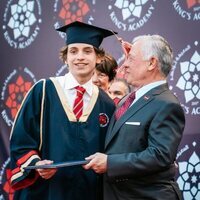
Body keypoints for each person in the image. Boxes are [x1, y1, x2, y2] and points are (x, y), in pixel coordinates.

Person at [9, 21, 116, 200]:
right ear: (65, 58)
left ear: (98, 58)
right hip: (47, 191)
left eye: (87, 51)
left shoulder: (107, 104)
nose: (79, 57)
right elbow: (21, 141)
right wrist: (37, 164)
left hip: (89, 192)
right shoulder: (43, 91)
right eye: (73, 51)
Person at [84, 34, 185, 200]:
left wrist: (110, 163)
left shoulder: (167, 104)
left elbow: (159, 155)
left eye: (131, 58)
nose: (124, 66)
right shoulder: (127, 99)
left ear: (152, 63)